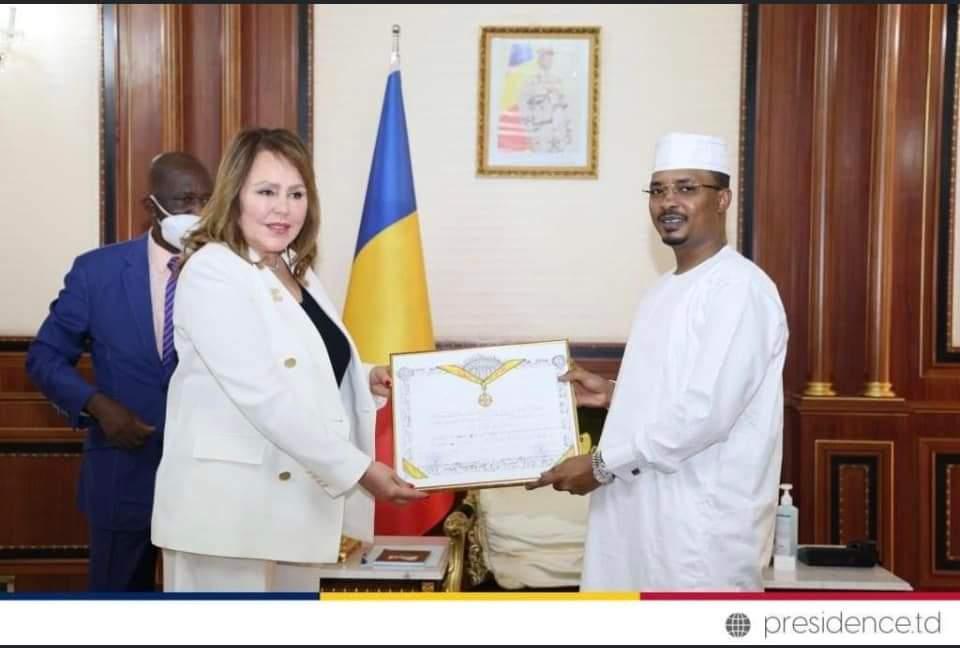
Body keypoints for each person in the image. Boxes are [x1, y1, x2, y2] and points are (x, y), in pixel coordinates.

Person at [151, 127, 426, 592]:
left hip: (297, 505)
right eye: (266, 191)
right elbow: (263, 392)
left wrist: (366, 377)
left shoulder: (295, 267)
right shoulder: (214, 269)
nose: (283, 207)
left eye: (296, 193)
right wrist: (359, 470)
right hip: (228, 517)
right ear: (234, 196)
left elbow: (304, 363)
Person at [528, 132, 789, 591]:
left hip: (698, 530)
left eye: (687, 188)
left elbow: (706, 414)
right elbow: (676, 392)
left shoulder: (739, 289)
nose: (669, 202)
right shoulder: (662, 291)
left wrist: (601, 464)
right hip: (638, 517)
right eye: (659, 190)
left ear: (723, 199)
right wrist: (613, 395)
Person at [26, 153, 213, 592]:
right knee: (118, 611)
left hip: (209, 476)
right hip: (124, 469)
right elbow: (45, 357)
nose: (198, 213)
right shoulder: (98, 272)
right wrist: (97, 406)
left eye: (207, 200)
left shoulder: (233, 271)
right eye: (185, 200)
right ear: (152, 206)